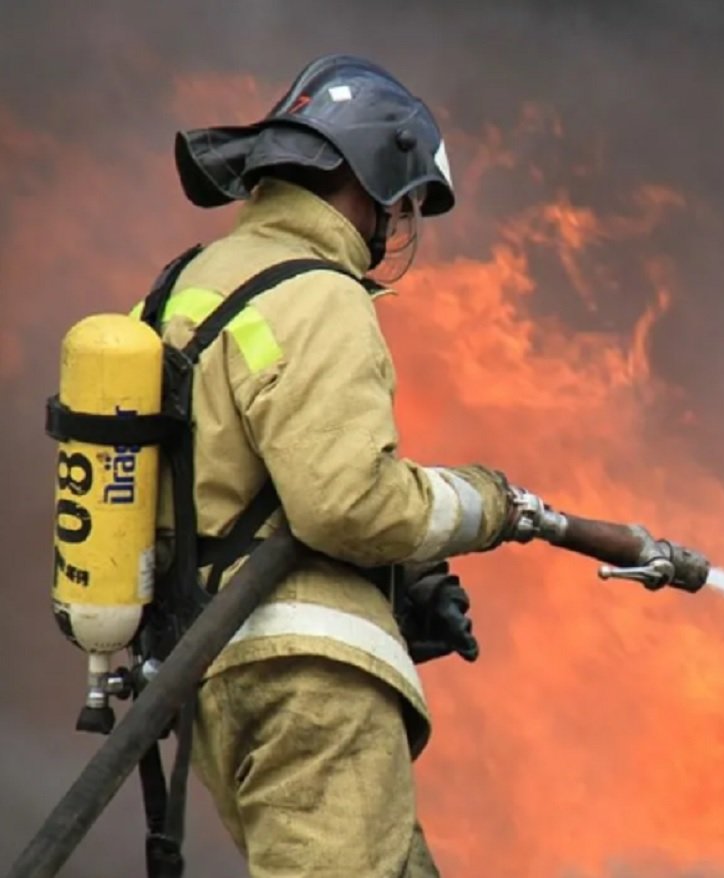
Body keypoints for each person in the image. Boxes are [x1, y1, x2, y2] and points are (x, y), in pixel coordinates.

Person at [152, 54, 543, 877]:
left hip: (212, 663)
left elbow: (235, 489)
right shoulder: (316, 292)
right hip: (309, 681)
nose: (394, 223)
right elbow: (346, 505)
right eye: (398, 203)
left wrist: (408, 578)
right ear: (364, 178)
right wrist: (486, 504)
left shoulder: (185, 286)